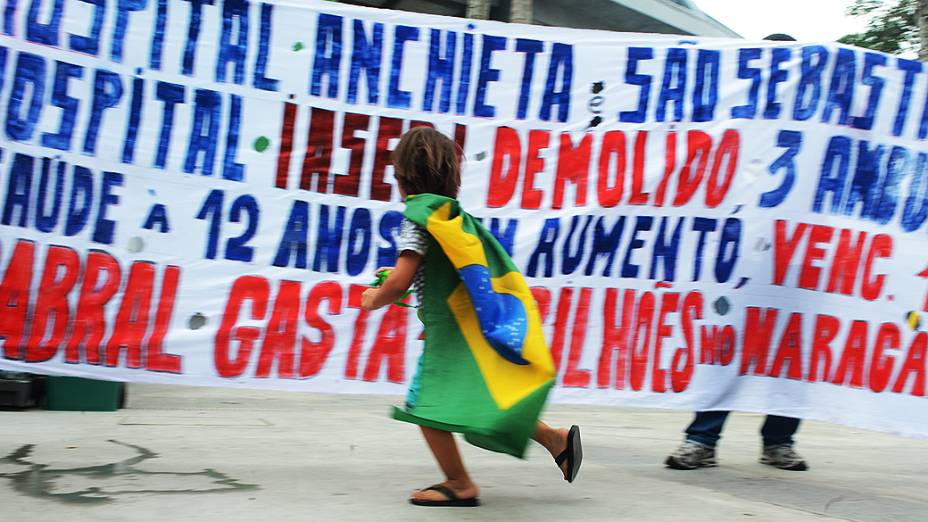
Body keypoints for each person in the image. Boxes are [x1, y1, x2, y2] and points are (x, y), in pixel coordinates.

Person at [361, 126, 582, 507]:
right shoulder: (452, 218)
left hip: (451, 331)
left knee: (425, 408)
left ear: (402, 176)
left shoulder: (418, 220)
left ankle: (459, 482)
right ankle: (554, 439)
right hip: (458, 329)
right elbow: (459, 279)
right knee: (481, 394)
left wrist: (375, 298)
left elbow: (399, 282)